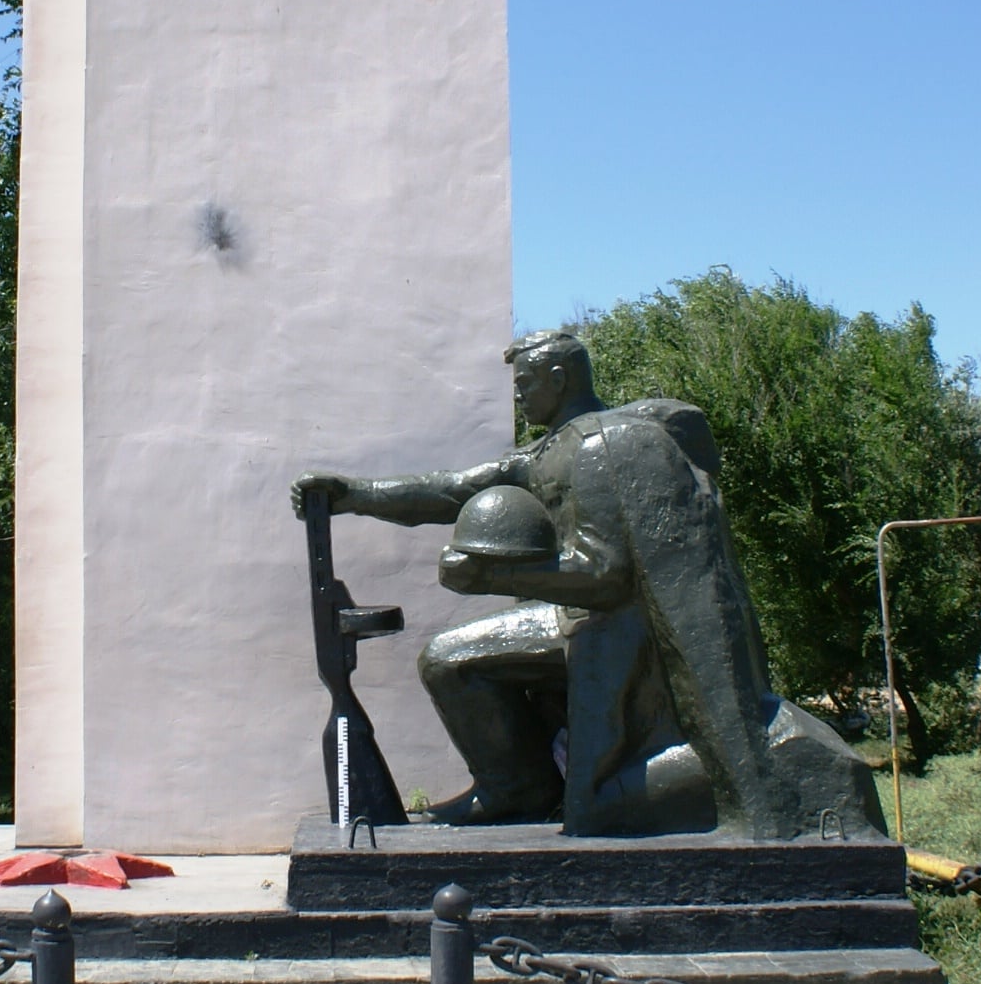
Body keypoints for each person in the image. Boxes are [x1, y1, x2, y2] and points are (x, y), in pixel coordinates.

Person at [292, 331, 887, 841]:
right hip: (575, 616)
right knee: (451, 660)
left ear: (559, 376)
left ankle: (614, 787)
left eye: (526, 381)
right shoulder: (548, 452)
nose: (518, 394)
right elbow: (451, 489)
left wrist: (490, 576)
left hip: (623, 631)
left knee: (470, 679)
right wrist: (355, 495)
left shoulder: (609, 445)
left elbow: (608, 576)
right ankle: (517, 790)